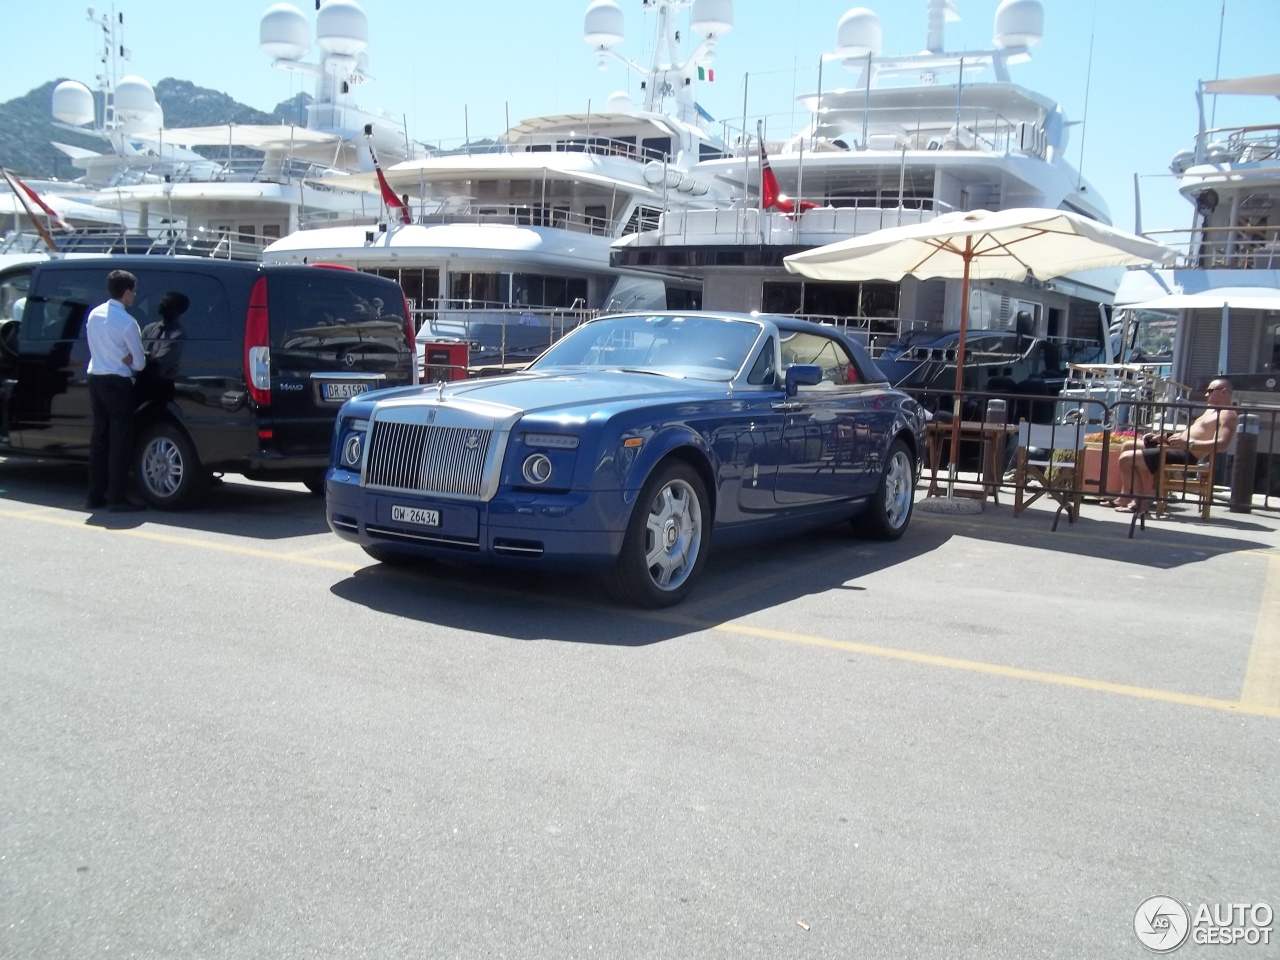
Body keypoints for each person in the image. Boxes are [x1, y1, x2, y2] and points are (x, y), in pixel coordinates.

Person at [1107, 378, 1238, 512]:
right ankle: (1126, 496)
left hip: (1186, 454)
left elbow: (1222, 445)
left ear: (1224, 392)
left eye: (1210, 391)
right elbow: (1192, 433)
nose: (1206, 395)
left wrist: (1188, 444)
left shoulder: (1227, 414)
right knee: (1129, 445)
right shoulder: (1211, 410)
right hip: (1177, 447)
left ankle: (1141, 504)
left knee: (1126, 459)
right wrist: (1165, 437)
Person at [85, 269, 146, 511]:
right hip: (117, 382)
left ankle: (95, 495)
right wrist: (129, 358)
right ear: (127, 292)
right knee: (120, 440)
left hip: (95, 378)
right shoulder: (128, 323)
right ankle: (117, 497)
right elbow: (139, 363)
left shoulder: (94, 315)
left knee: (99, 438)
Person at [141, 290, 189, 394]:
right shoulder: (150, 328)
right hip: (142, 382)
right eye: (162, 301)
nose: (162, 305)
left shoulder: (177, 335)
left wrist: (141, 356)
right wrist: (148, 356)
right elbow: (133, 352)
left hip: (160, 386)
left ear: (178, 310)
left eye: (168, 303)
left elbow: (158, 365)